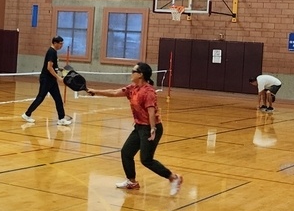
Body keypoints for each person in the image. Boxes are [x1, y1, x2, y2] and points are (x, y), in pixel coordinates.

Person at [88, 62, 184, 195]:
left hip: (151, 128)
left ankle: (174, 178)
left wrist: (152, 129)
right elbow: (115, 92)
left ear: (141, 75)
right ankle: (131, 181)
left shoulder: (148, 91)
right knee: (126, 152)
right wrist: (96, 91)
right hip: (139, 127)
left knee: (146, 159)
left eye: (134, 71)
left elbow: (151, 112)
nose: (131, 73)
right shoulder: (132, 88)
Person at [21, 36, 72, 126]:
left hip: (51, 80)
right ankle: (27, 114)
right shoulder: (51, 52)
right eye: (60, 44)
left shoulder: (54, 52)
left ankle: (61, 119)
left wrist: (59, 69)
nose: (61, 45)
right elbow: (49, 67)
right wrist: (58, 77)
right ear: (55, 43)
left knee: (58, 99)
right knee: (40, 98)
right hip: (47, 79)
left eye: (62, 44)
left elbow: (52, 66)